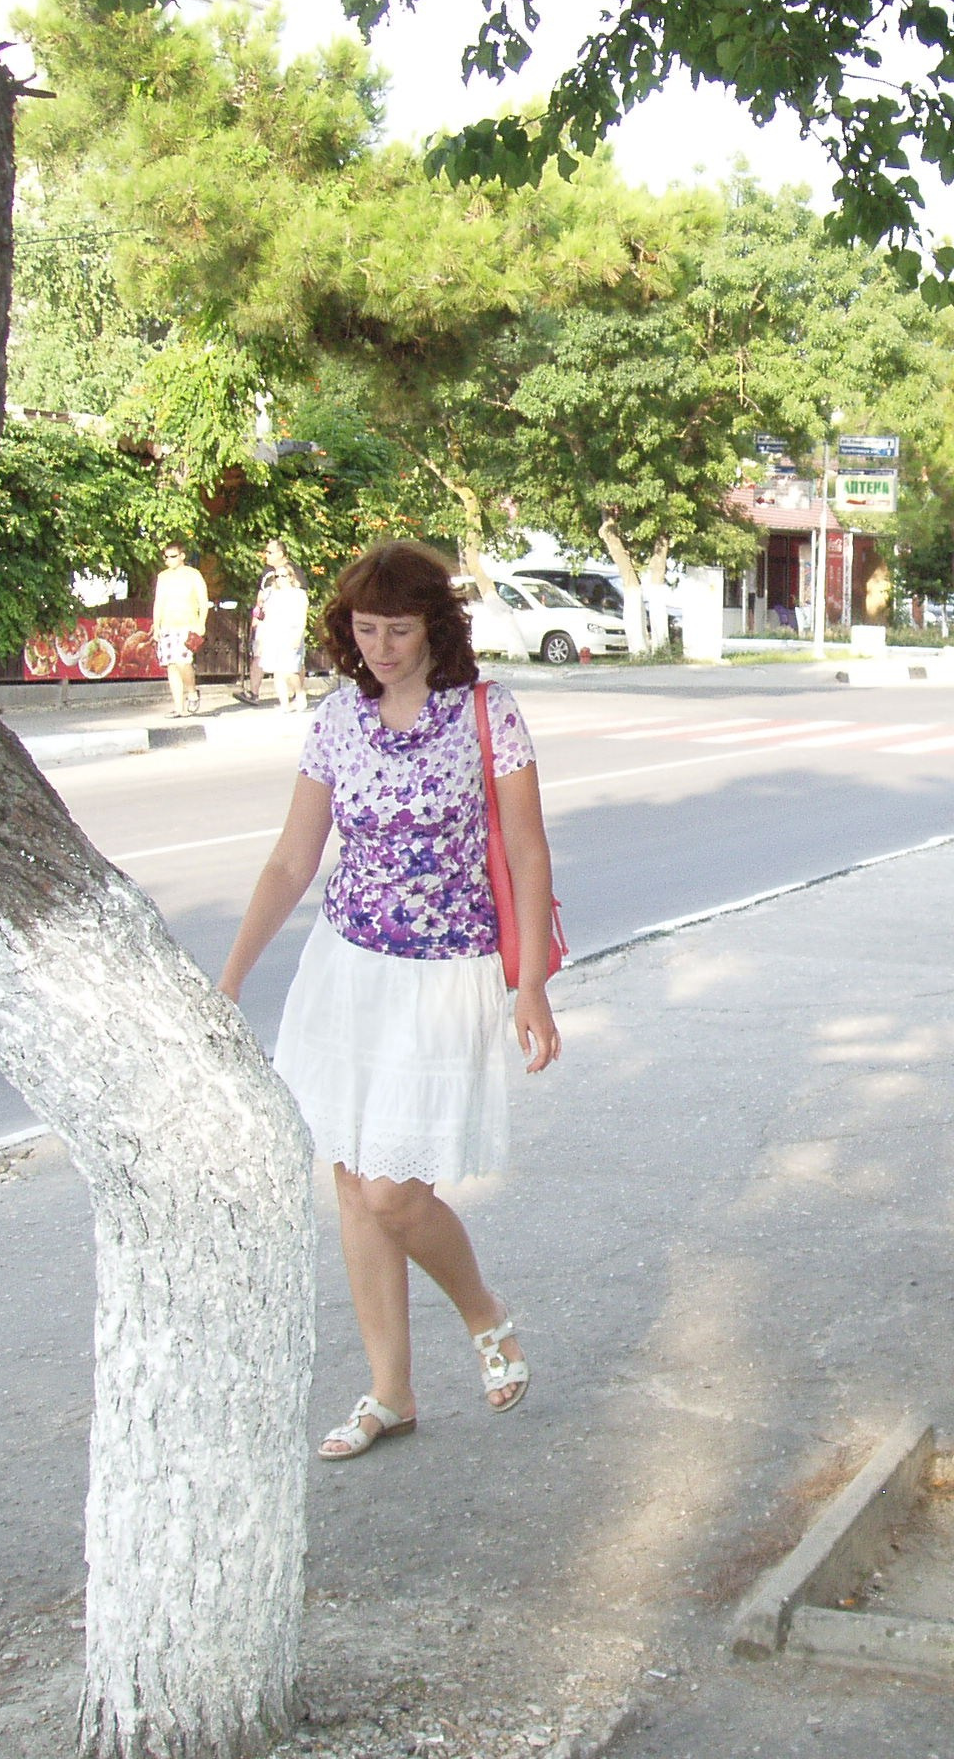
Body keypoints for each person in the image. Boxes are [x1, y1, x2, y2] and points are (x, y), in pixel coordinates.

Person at [218, 541, 563, 1461]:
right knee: (350, 1182)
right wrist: (232, 976)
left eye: (398, 630)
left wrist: (528, 985)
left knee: (394, 1192)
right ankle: (390, 1392)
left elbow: (527, 855)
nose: (380, 647)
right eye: (366, 629)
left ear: (435, 627)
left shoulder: (487, 713)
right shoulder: (337, 719)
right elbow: (294, 859)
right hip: (347, 969)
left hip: (445, 973)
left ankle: (484, 1312)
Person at [152, 543, 213, 719]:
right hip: (168, 624)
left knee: (183, 661)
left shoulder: (193, 575)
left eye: (173, 556)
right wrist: (157, 626)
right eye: (166, 557)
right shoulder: (163, 577)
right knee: (171, 665)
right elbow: (159, 602)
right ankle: (179, 708)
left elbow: (203, 600)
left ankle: (192, 692)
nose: (169, 560)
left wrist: (201, 623)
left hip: (188, 624)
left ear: (182, 556)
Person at [255, 561, 312, 714]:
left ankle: (299, 693)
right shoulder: (271, 594)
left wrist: (298, 636)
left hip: (291, 633)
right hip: (274, 634)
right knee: (277, 671)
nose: (280, 579)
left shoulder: (299, 594)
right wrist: (262, 639)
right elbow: (265, 617)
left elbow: (302, 618)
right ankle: (284, 704)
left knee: (291, 670)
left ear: (291, 577)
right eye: (277, 576)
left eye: (283, 575)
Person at [244, 538, 291, 704]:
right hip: (265, 622)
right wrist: (256, 616)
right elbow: (261, 596)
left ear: (281, 553)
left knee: (286, 658)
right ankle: (253, 692)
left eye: (270, 552)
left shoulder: (291, 571)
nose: (266, 555)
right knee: (258, 654)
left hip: (280, 623)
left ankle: (294, 694)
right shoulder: (267, 572)